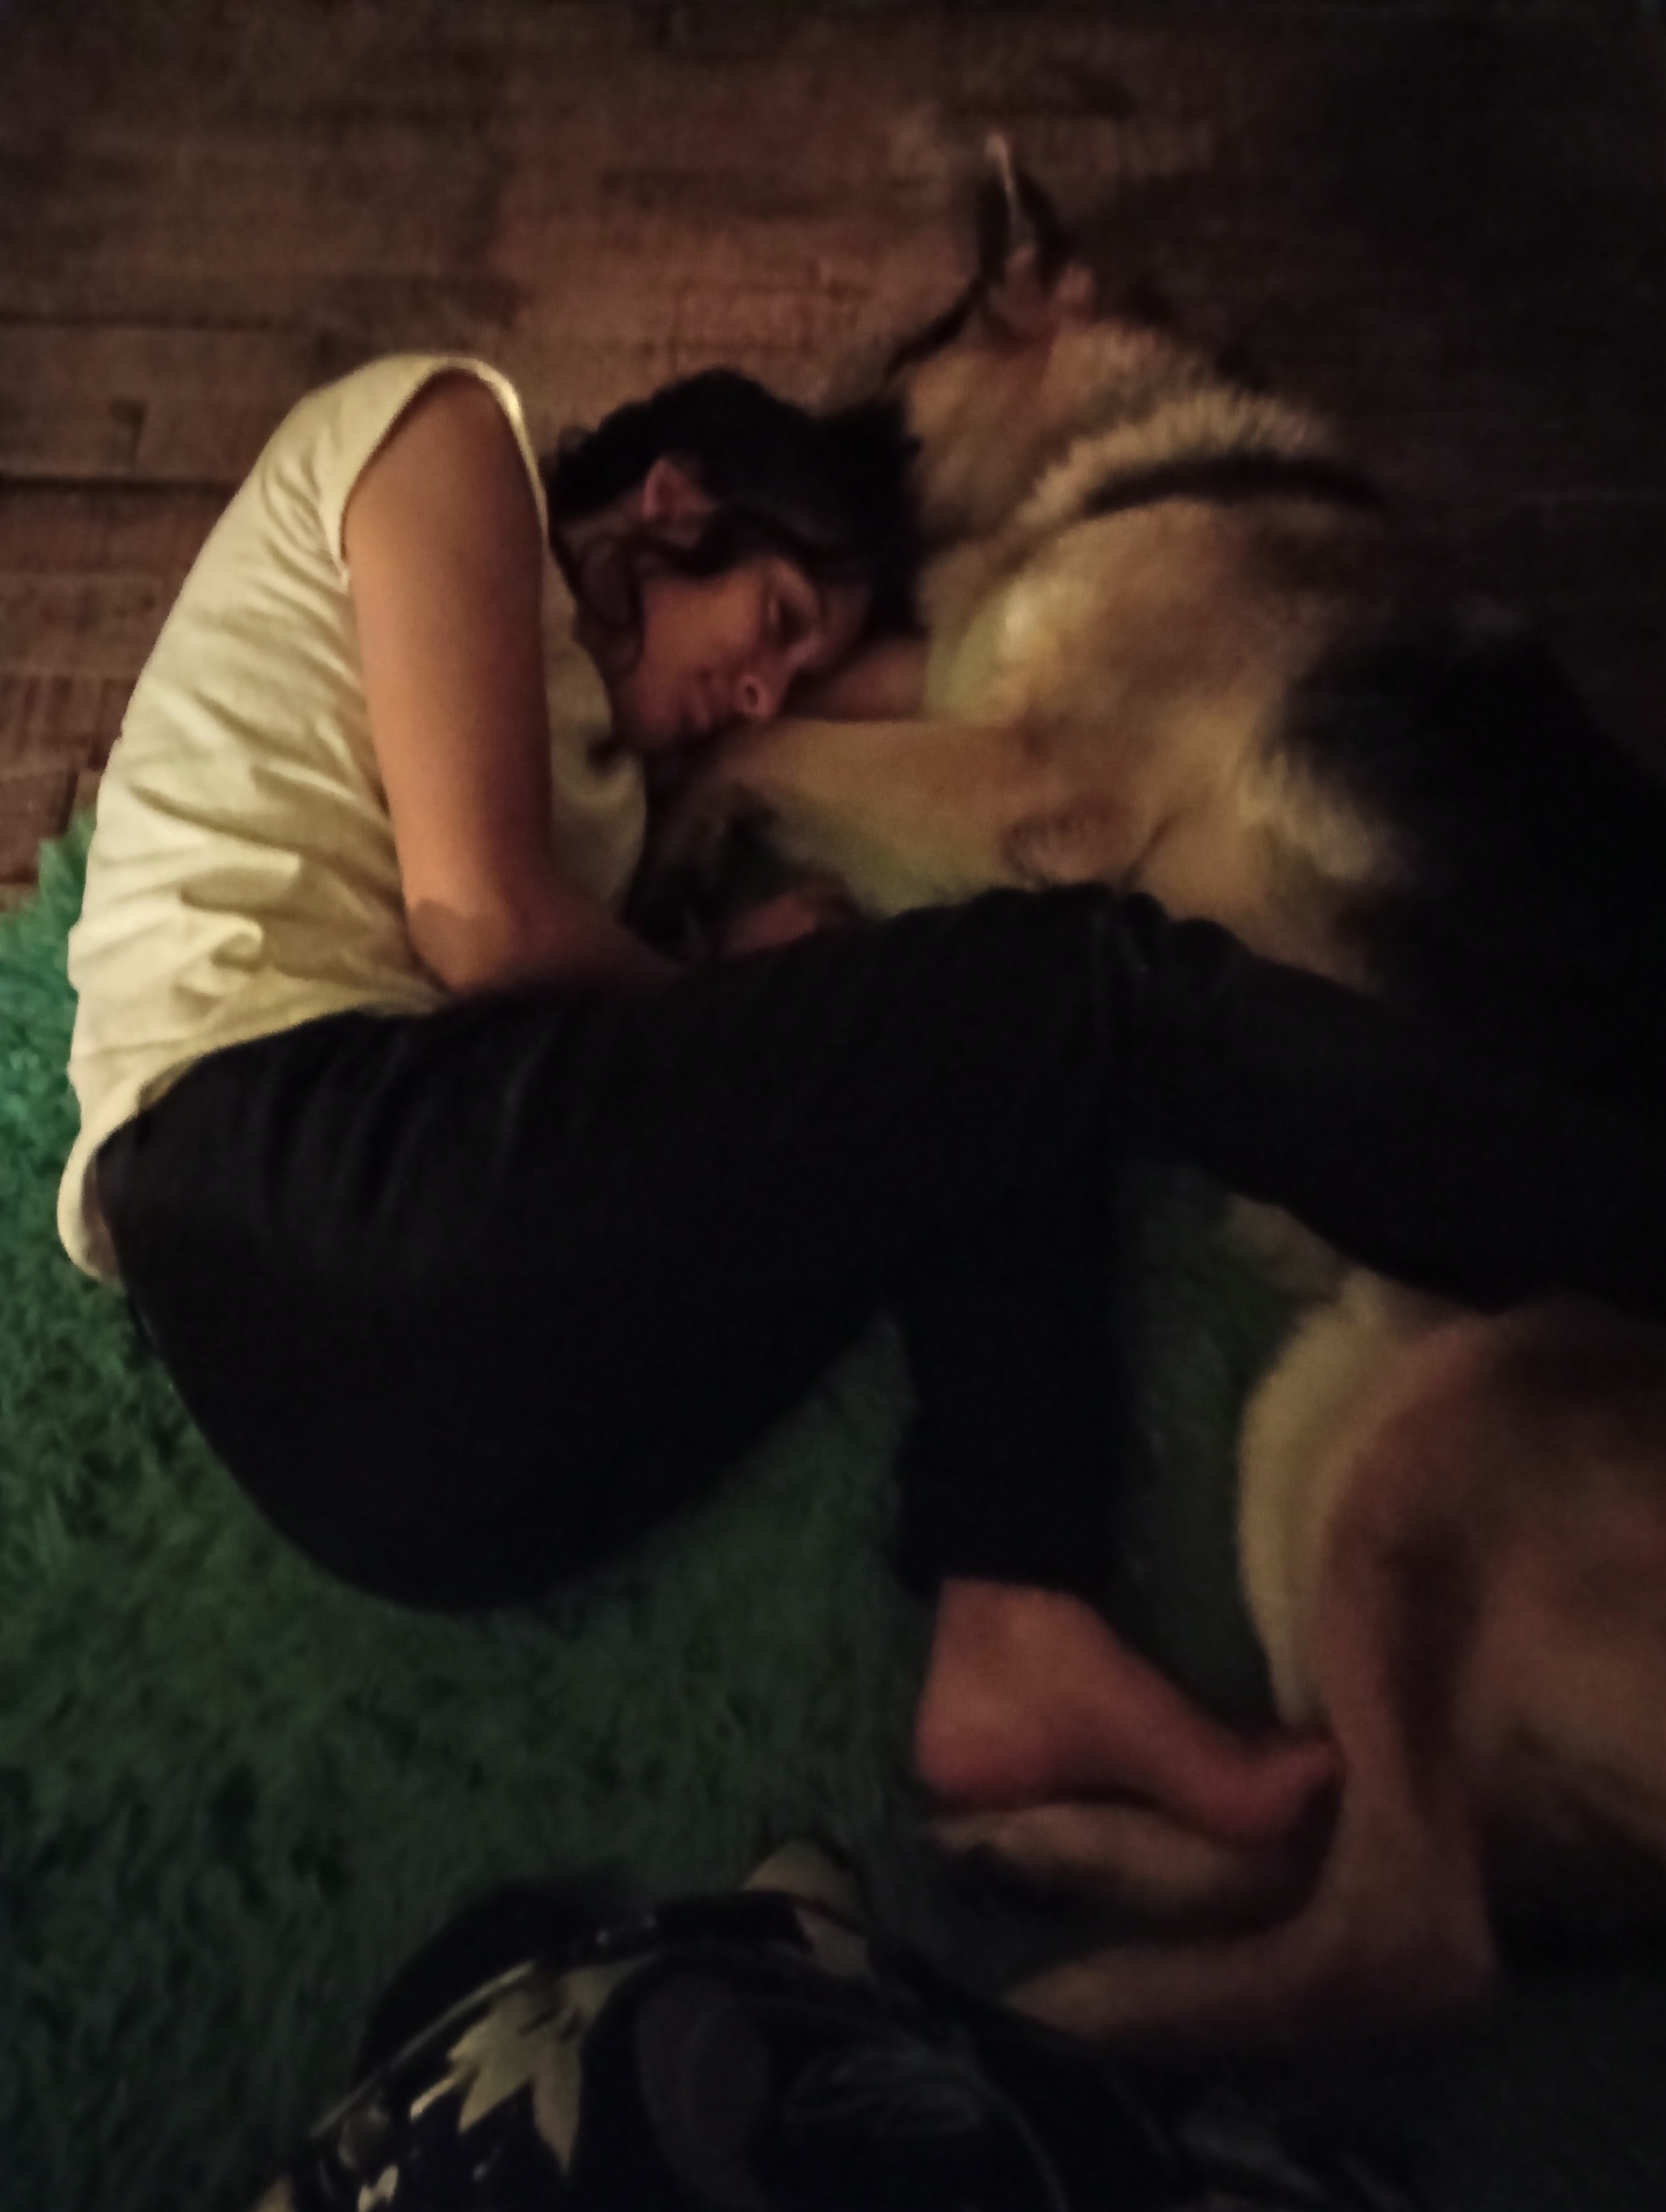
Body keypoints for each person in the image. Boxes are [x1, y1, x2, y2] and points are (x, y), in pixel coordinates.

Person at [59, 353, 1666, 1849]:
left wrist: (752, 990)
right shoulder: (443, 433)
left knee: (959, 1060)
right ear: (671, 505)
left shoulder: (600, 788)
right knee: (1085, 986)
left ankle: (1014, 1625)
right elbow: (479, 924)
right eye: (770, 617)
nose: (764, 694)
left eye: (796, 667)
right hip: (304, 1169)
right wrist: (709, 992)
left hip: (415, 1491)